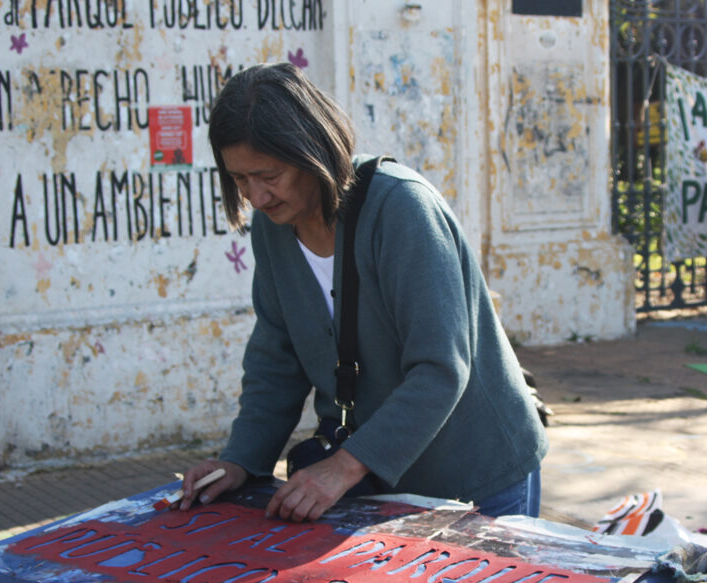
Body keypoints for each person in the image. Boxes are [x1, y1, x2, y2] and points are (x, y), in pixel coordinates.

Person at [177, 63, 547, 522]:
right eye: (239, 180)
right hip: (375, 483)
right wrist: (239, 459)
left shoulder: (402, 209)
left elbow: (440, 369)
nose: (257, 197)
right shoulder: (272, 230)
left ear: (311, 151)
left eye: (268, 175)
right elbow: (277, 360)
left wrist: (343, 467)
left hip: (476, 474)